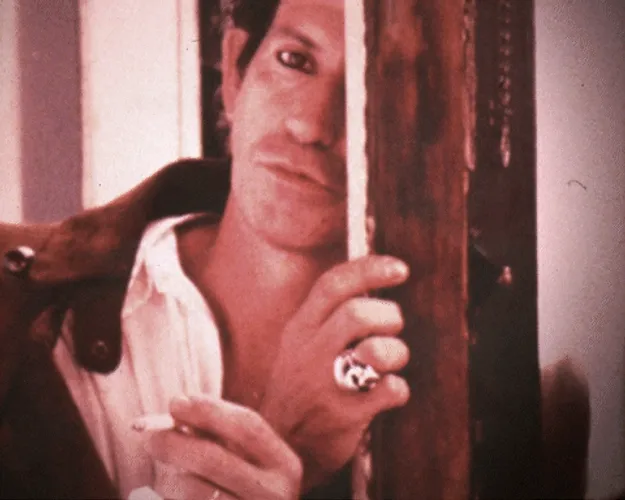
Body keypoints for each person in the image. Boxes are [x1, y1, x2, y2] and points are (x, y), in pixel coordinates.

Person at [0, 0, 590, 499]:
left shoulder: (517, 401)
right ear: (235, 71)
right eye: (295, 61)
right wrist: (288, 446)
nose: (311, 125)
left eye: (375, 89)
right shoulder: (14, 296)